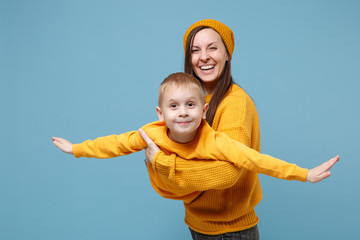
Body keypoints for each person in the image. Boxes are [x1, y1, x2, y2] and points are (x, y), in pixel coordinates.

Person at [53, 72, 339, 238]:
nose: (183, 112)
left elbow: (255, 160)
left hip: (232, 229)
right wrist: (76, 148)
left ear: (203, 111)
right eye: (174, 106)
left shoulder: (214, 141)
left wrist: (304, 174)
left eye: (191, 104)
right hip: (198, 223)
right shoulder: (150, 134)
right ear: (160, 113)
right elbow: (113, 144)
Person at [137, 19, 334, 239]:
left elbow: (227, 173)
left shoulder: (235, 104)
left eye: (212, 47)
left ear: (227, 54)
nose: (204, 57)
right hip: (199, 224)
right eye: (195, 50)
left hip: (229, 232)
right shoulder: (190, 103)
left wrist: (163, 163)